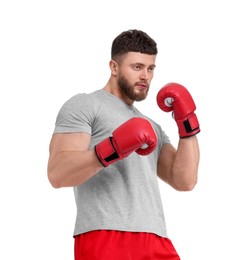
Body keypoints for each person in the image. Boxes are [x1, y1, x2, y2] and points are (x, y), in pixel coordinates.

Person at [47, 29, 200, 259]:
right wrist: (113, 148)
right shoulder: (86, 105)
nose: (145, 76)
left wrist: (187, 124)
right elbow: (57, 174)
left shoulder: (151, 126)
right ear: (114, 67)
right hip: (106, 234)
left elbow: (184, 180)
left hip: (156, 237)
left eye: (150, 68)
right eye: (137, 67)